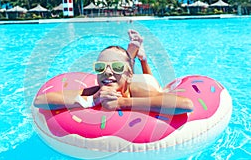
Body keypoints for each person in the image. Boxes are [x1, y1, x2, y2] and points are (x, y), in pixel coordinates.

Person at [34, 30, 194, 115]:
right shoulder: (96, 91)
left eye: (115, 67)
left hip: (145, 83)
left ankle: (140, 58)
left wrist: (122, 103)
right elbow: (40, 101)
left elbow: (186, 105)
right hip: (127, 77)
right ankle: (129, 57)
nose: (107, 72)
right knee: (121, 72)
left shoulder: (142, 90)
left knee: (152, 83)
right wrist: (91, 100)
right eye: (100, 67)